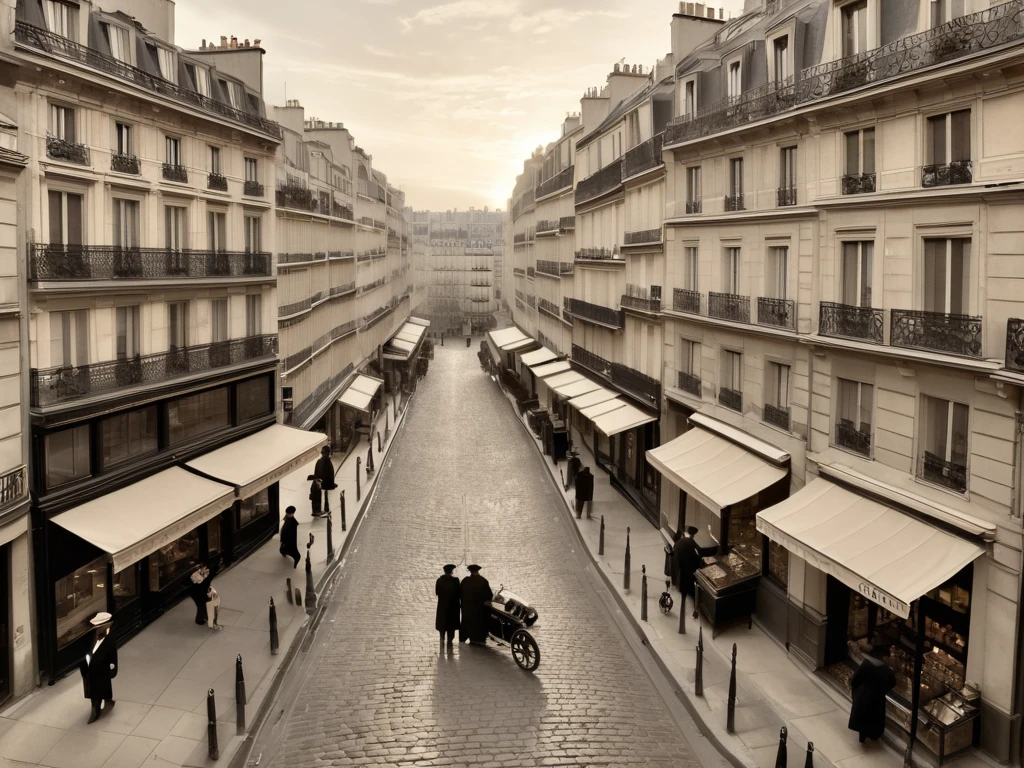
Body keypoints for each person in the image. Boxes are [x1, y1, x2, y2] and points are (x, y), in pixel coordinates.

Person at [80, 612, 117, 724]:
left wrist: (113, 667)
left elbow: (113, 654)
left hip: (101, 668)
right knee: (92, 688)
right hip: (90, 667)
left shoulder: (109, 638)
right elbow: (84, 652)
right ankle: (100, 704)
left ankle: (96, 710)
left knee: (99, 687)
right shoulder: (89, 638)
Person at [849, 655, 896, 743]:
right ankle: (874, 735)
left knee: (863, 717)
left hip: (863, 695)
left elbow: (855, 679)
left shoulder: (866, 664)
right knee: (875, 718)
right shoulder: (887, 671)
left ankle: (862, 737)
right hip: (878, 698)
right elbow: (892, 683)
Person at [459, 564, 493, 644]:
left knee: (468, 622)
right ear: (478, 571)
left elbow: (460, 594)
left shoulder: (465, 581)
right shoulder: (483, 581)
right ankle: (479, 639)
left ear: (470, 571)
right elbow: (489, 595)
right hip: (480, 609)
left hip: (468, 609)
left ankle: (466, 637)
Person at [673, 526, 703, 605]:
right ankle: (686, 590)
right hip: (684, 559)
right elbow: (695, 555)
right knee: (686, 574)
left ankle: (681, 587)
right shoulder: (691, 542)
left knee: (681, 572)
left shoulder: (683, 539)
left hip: (679, 556)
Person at [435, 564, 460, 649]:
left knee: (442, 623)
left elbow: (437, 592)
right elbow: (459, 593)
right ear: (452, 571)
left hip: (442, 606)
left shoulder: (439, 580)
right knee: (451, 625)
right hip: (453, 606)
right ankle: (450, 641)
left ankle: (442, 638)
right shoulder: (455, 581)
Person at [189, 566, 222, 630]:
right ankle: (200, 619)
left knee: (201, 605)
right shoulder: (208, 572)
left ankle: (202, 618)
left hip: (197, 589)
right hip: (199, 590)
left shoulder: (204, 571)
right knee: (202, 605)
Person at [314, 446, 336, 516]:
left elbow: (316, 472)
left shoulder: (319, 461)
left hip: (320, 482)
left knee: (323, 495)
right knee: (326, 495)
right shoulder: (328, 462)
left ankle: (322, 509)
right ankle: (326, 509)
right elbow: (331, 473)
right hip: (327, 483)